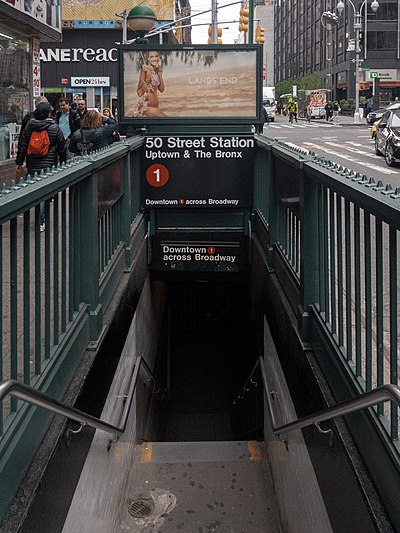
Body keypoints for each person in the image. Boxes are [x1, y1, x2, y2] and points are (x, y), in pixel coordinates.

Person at [15, 102, 67, 231]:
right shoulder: (54, 128)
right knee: (45, 193)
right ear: (49, 113)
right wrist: (64, 161)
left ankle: (35, 214)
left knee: (34, 189)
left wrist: (19, 162)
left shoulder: (29, 126)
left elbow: (22, 145)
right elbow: (62, 147)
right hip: (49, 164)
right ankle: (41, 220)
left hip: (32, 163)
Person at [136, 51, 166, 117]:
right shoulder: (145, 71)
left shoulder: (157, 70)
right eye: (151, 57)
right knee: (166, 120)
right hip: (146, 106)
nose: (154, 59)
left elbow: (161, 90)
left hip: (156, 105)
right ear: (148, 59)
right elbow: (139, 93)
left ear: (159, 57)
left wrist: (160, 76)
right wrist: (147, 79)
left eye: (156, 56)